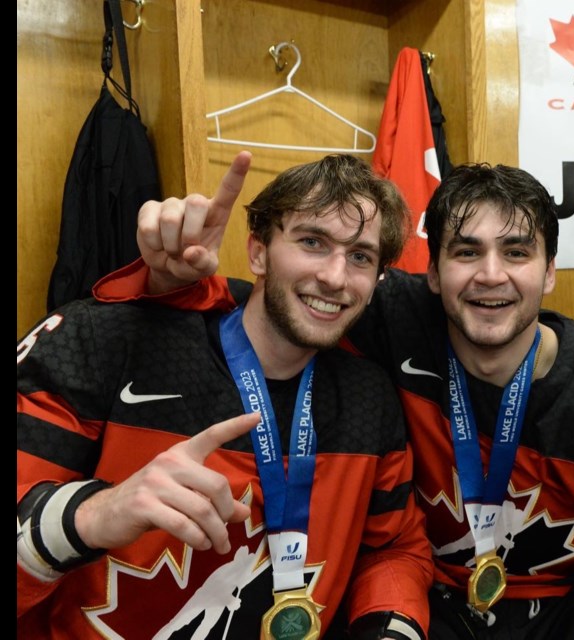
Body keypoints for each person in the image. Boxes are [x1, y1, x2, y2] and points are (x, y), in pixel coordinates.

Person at [91, 154, 574, 638]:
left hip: (564, 607)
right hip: (430, 600)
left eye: (516, 252)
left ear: (551, 272)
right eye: (465, 252)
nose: (490, 275)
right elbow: (278, 303)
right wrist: (168, 278)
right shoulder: (384, 307)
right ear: (428, 273)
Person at [17, 152, 434, 639]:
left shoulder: (369, 395)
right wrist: (94, 515)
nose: (336, 277)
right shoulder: (106, 340)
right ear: (257, 251)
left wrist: (392, 627)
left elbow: (392, 548)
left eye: (360, 256)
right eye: (312, 242)